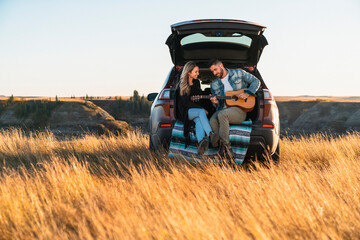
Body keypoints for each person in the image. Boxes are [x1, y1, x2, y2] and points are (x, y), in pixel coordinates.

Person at [209, 59, 260, 155]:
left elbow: (256, 81)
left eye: (215, 69)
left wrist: (247, 93)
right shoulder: (214, 84)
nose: (214, 73)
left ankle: (227, 148)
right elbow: (217, 105)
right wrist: (215, 102)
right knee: (212, 120)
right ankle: (220, 146)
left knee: (222, 115)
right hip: (222, 109)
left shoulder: (238, 73)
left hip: (239, 110)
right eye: (212, 71)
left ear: (221, 65)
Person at [175, 61, 218, 155]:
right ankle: (211, 134)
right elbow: (185, 103)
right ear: (189, 72)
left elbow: (199, 99)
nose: (198, 74)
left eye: (198, 71)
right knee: (201, 113)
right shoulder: (181, 85)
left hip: (194, 111)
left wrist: (208, 99)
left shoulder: (196, 82)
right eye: (196, 72)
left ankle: (200, 143)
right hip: (185, 112)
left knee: (199, 120)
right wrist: (201, 109)